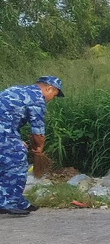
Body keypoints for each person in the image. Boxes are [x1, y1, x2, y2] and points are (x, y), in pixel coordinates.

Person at [0, 76, 63, 216]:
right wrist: (39, 148)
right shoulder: (36, 99)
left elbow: (7, 116)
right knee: (17, 163)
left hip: (5, 130)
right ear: (49, 88)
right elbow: (38, 131)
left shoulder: (17, 89)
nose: (51, 99)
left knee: (6, 162)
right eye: (54, 95)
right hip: (3, 131)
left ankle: (16, 199)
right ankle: (7, 202)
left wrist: (15, 138)